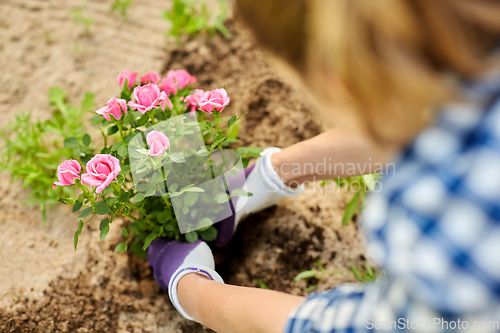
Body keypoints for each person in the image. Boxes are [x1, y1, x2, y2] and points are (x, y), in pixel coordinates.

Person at [148, 0, 500, 332]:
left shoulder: (438, 222)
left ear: (333, 79)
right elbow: (419, 110)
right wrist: (269, 176)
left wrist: (193, 291)